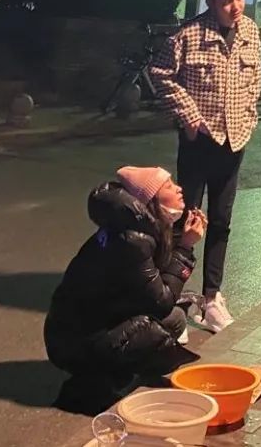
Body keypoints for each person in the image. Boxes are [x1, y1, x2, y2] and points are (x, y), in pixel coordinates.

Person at [149, 0, 261, 333]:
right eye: (227, 1)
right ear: (211, 1)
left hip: (235, 140)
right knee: (184, 219)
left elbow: (255, 78)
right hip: (200, 141)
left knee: (222, 220)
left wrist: (250, 114)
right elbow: (161, 75)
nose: (236, 7)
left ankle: (212, 297)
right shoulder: (188, 35)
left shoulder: (250, 31)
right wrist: (189, 116)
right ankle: (169, 299)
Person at [44, 166, 207, 414]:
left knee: (175, 319)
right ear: (151, 201)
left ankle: (118, 372)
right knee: (155, 330)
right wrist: (185, 247)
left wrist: (179, 238)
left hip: (93, 324)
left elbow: (154, 283)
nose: (179, 189)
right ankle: (93, 382)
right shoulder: (132, 240)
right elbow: (161, 301)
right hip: (74, 341)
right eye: (168, 186)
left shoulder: (138, 228)